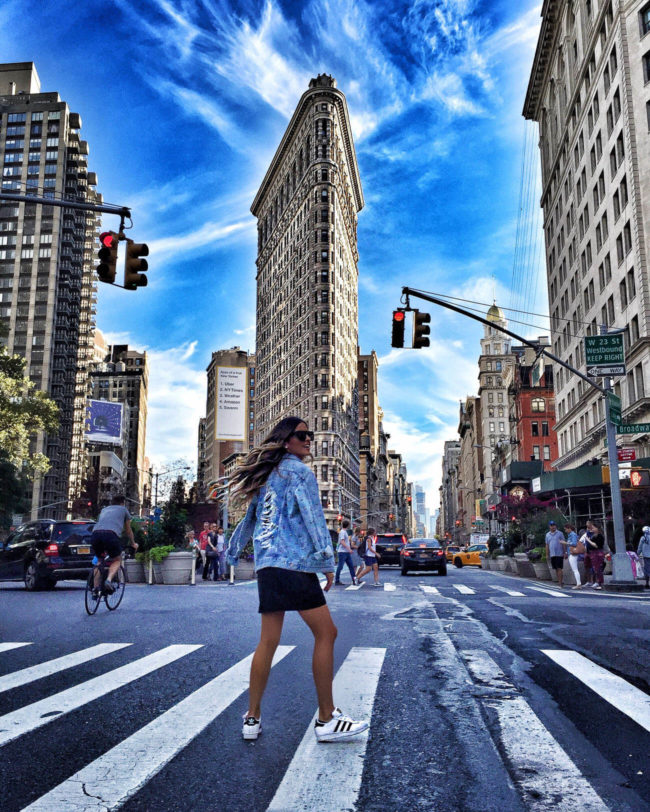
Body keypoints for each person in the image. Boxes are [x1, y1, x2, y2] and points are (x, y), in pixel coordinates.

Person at [226, 415, 369, 743]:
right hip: (295, 565)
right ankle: (327, 717)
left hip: (268, 567)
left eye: (310, 435)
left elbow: (251, 519)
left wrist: (234, 552)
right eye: (302, 435)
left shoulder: (266, 477)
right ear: (287, 440)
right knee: (327, 633)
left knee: (267, 642)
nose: (309, 440)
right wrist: (327, 560)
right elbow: (314, 518)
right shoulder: (300, 474)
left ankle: (252, 718)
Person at [90, 495, 137, 594]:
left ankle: (95, 588)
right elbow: (128, 530)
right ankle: (108, 580)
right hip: (111, 535)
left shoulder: (104, 510)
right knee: (117, 559)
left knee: (99, 560)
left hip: (95, 534)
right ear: (122, 503)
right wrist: (133, 543)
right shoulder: (123, 510)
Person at [561, 523, 584, 589]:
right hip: (571, 553)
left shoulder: (573, 535)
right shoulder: (571, 535)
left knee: (575, 569)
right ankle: (578, 583)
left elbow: (574, 543)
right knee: (575, 569)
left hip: (573, 553)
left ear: (569, 528)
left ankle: (579, 584)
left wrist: (565, 543)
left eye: (566, 529)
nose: (565, 531)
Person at [585, 520, 606, 589]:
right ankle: (598, 582)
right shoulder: (594, 536)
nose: (592, 529)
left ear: (598, 528)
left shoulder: (600, 536)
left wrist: (588, 540)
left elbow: (596, 545)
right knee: (595, 568)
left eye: (593, 528)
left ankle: (600, 583)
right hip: (593, 553)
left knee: (598, 568)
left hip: (598, 553)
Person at [545, 520, 566, 587]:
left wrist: (565, 552)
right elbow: (547, 545)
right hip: (552, 554)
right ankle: (559, 581)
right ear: (549, 526)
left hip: (559, 553)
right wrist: (547, 554)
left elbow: (563, 543)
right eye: (551, 525)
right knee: (556, 568)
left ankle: (560, 582)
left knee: (559, 568)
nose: (553, 527)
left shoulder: (560, 533)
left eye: (554, 525)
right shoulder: (547, 535)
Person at [334, 519, 356, 585]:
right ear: (348, 525)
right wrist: (349, 549)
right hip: (342, 552)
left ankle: (354, 579)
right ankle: (337, 580)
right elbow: (342, 541)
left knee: (351, 566)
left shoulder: (344, 532)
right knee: (340, 566)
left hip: (346, 552)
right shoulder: (343, 532)